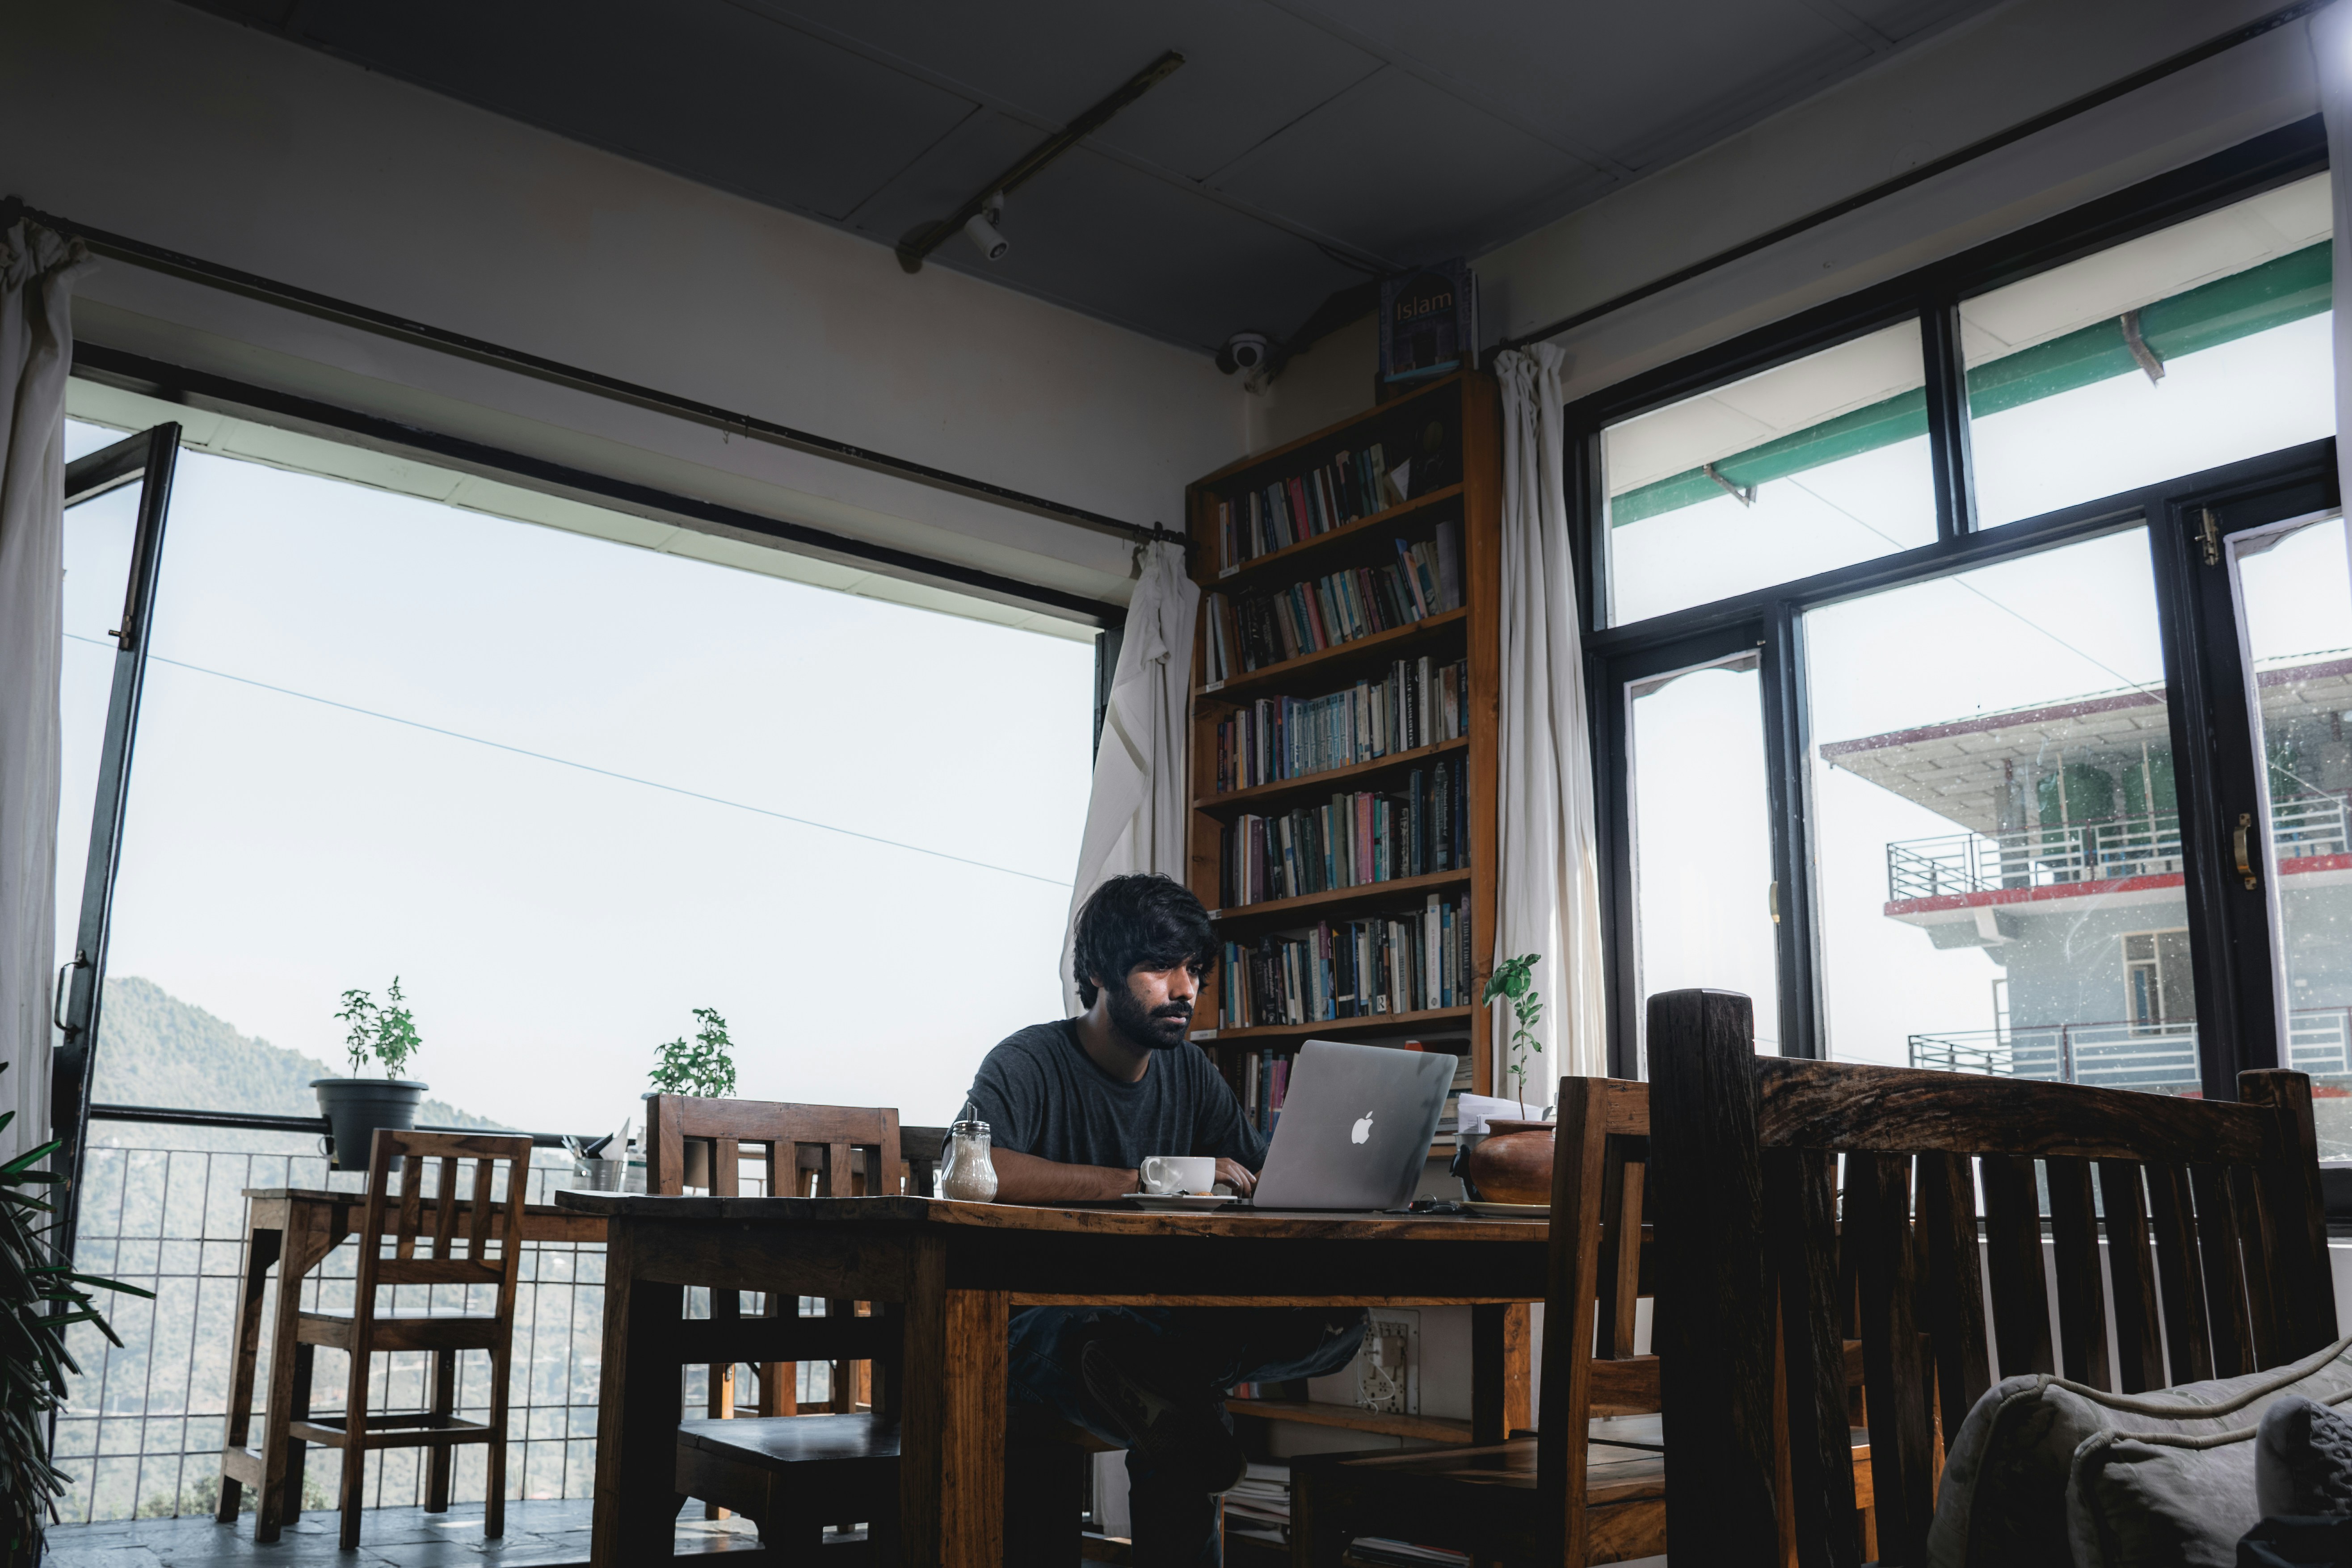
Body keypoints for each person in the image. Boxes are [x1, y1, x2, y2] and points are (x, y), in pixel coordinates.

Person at [963, 872, 1366, 1567]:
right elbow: (970, 1174)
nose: (1184, 989)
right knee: (1160, 1395)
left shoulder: (1192, 1076)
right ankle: (1167, 1395)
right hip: (1030, 1325)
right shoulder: (1029, 1060)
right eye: (1159, 967)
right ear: (1097, 971)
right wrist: (1140, 1180)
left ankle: (1166, 1393)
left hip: (1154, 1324)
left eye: (1194, 970)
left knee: (1334, 1321)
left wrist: (1343, 1170)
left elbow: (1260, 1178)